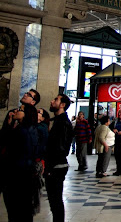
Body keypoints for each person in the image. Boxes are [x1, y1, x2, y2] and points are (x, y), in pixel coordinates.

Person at [0, 89, 40, 222]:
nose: (25, 94)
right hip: (4, 163)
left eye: (29, 95)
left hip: (16, 169)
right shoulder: (12, 114)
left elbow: (26, 148)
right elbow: (0, 139)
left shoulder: (29, 127)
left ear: (33, 102)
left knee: (17, 203)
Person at [0, 104, 40, 221]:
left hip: (18, 174)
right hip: (25, 173)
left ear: (26, 114)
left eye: (20, 109)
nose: (17, 110)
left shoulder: (22, 131)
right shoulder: (31, 129)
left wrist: (8, 126)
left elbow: (12, 150)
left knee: (16, 209)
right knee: (24, 209)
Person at [45, 93, 74, 222]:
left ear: (62, 105)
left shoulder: (63, 123)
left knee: (55, 200)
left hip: (56, 165)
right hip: (53, 164)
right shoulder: (56, 121)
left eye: (56, 100)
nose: (52, 101)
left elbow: (61, 147)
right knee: (53, 200)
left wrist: (50, 163)